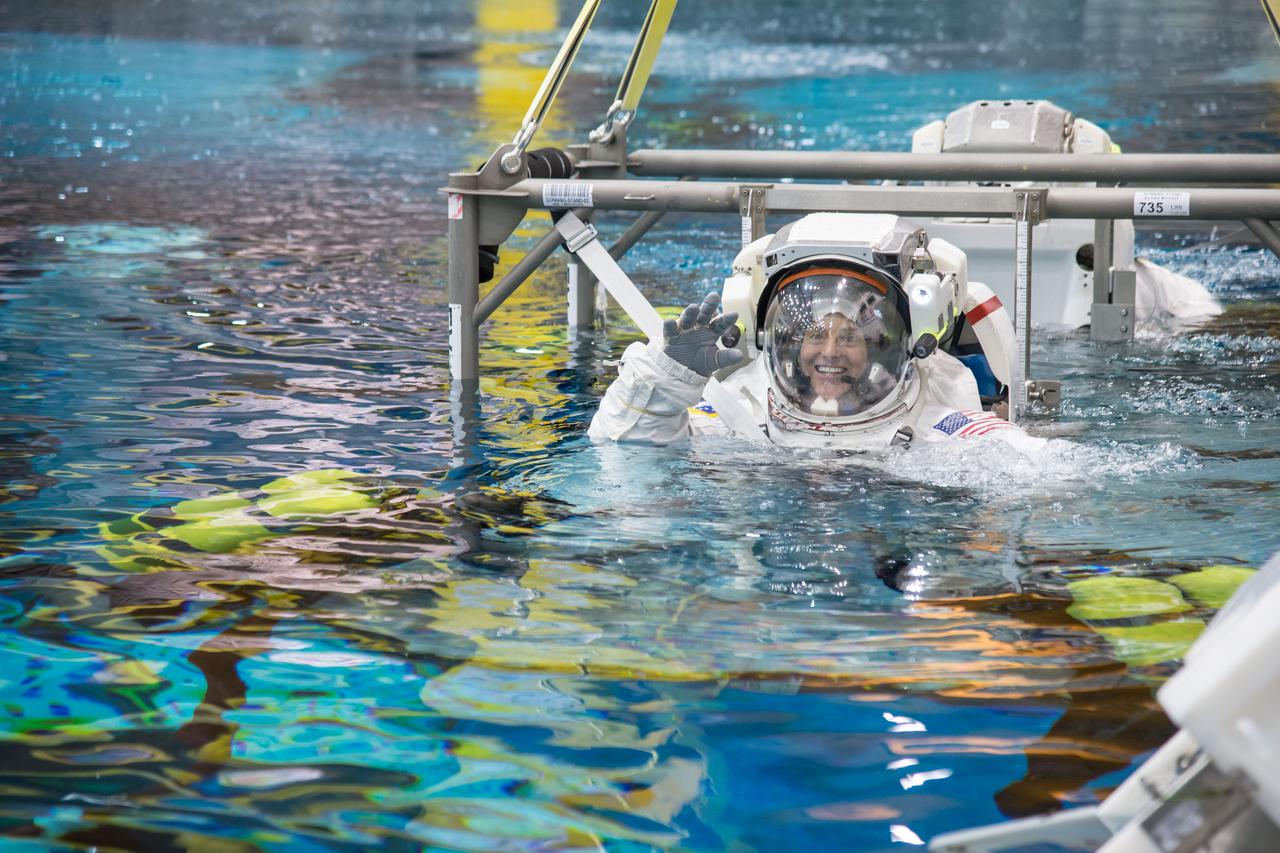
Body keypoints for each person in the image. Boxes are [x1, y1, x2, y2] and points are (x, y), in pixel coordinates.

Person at [588, 212, 1043, 453]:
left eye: (850, 337)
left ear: (894, 344)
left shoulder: (942, 429)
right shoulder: (742, 416)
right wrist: (666, 380)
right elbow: (622, 452)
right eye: (814, 334)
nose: (829, 352)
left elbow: (1048, 473)